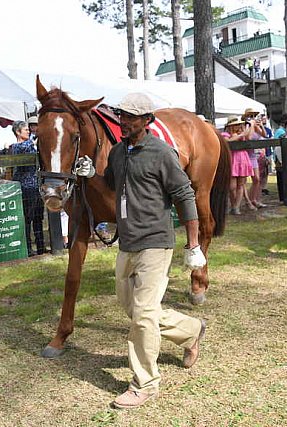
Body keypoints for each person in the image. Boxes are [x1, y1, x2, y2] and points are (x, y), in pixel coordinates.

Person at [74, 93, 207, 409]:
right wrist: (91, 174)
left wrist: (194, 244)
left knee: (143, 315)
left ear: (147, 121)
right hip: (127, 243)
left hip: (155, 244)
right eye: (122, 115)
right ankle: (191, 330)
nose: (124, 121)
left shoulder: (163, 154)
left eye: (132, 117)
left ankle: (144, 383)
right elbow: (111, 186)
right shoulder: (119, 152)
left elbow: (185, 197)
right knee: (134, 309)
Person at [9, 120, 45, 256]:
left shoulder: (30, 144)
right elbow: (24, 148)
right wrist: (34, 140)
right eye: (25, 130)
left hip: (36, 185)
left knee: (38, 218)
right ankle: (28, 248)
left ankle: (41, 246)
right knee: (27, 219)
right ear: (18, 132)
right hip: (25, 187)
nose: (28, 131)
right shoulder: (17, 147)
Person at [224, 116, 254, 215]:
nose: (238, 126)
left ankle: (236, 207)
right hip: (232, 160)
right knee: (231, 187)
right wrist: (241, 135)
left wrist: (251, 125)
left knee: (241, 185)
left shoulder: (242, 135)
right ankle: (232, 205)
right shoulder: (225, 134)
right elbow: (228, 141)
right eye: (236, 125)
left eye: (239, 124)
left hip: (243, 159)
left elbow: (249, 138)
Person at [241, 108, 267, 209]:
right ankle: (248, 201)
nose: (252, 118)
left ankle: (253, 199)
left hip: (252, 155)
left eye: (254, 116)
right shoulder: (244, 126)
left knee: (256, 179)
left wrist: (261, 126)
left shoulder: (255, 126)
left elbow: (264, 135)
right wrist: (251, 125)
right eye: (250, 116)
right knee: (243, 181)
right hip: (244, 155)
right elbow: (249, 138)